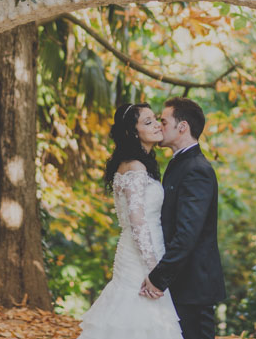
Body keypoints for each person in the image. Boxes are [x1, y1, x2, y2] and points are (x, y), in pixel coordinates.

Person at [77, 102, 183, 339]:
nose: (157, 124)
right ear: (134, 133)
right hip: (140, 256)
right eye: (148, 122)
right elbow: (137, 221)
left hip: (141, 250)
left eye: (155, 119)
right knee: (137, 318)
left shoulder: (139, 164)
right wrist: (154, 268)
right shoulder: (134, 167)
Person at [140, 97, 226, 339]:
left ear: (183, 127)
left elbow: (187, 234)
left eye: (164, 121)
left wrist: (158, 278)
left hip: (193, 286)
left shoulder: (198, 169)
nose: (158, 125)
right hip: (179, 283)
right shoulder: (178, 164)